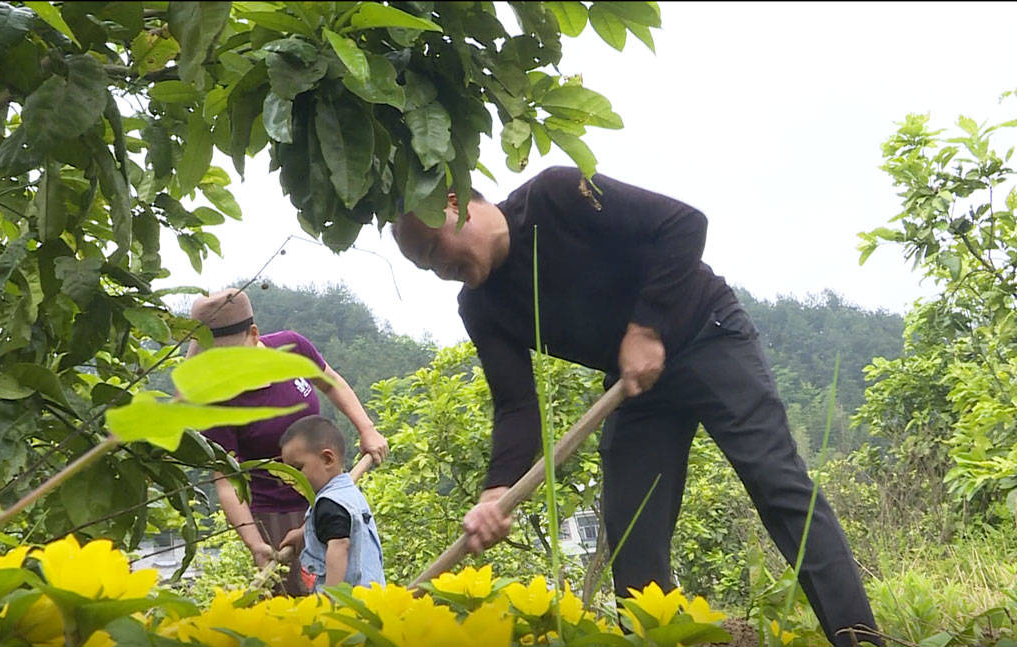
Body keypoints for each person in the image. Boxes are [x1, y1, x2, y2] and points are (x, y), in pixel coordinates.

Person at [391, 166, 881, 646]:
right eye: (424, 266)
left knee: (778, 486)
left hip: (706, 333)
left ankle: (860, 639)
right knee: (632, 538)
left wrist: (646, 327)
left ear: (452, 203)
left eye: (433, 250)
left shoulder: (555, 195)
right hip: (635, 386)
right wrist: (495, 492)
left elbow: (683, 224)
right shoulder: (479, 307)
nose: (438, 271)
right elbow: (517, 405)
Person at [189, 288, 387, 596]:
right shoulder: (217, 402)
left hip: (332, 491)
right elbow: (227, 482)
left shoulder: (292, 348)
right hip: (277, 516)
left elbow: (330, 382)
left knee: (357, 575)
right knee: (303, 599)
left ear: (253, 334)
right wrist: (256, 544)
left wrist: (367, 429)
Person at [278, 415, 385, 591]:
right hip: (371, 594)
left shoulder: (329, 504)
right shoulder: (347, 493)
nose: (292, 479)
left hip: (347, 604)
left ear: (328, 459)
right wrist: (303, 533)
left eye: (298, 469)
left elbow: (339, 546)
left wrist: (331, 597)